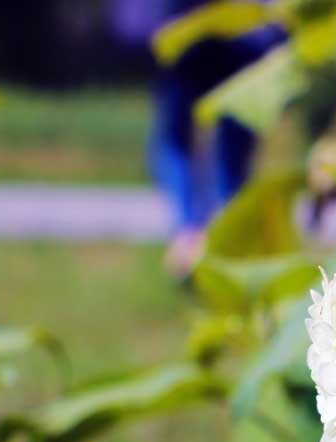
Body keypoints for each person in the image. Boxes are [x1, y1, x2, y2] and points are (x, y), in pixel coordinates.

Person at [113, 0, 284, 275]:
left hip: (233, 27)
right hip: (188, 22)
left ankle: (215, 235)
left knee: (224, 136)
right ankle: (197, 234)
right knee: (182, 136)